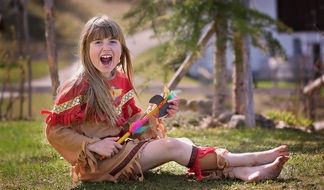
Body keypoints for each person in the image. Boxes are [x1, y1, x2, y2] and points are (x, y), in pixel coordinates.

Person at [42, 15, 289, 184]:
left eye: (112, 41)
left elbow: (132, 126)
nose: (105, 47)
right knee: (174, 147)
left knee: (183, 142)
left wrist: (155, 113)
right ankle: (253, 158)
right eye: (98, 42)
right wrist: (93, 145)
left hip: (121, 149)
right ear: (86, 49)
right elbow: (54, 130)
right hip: (100, 163)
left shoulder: (121, 80)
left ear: (121, 50)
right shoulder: (78, 85)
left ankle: (241, 172)